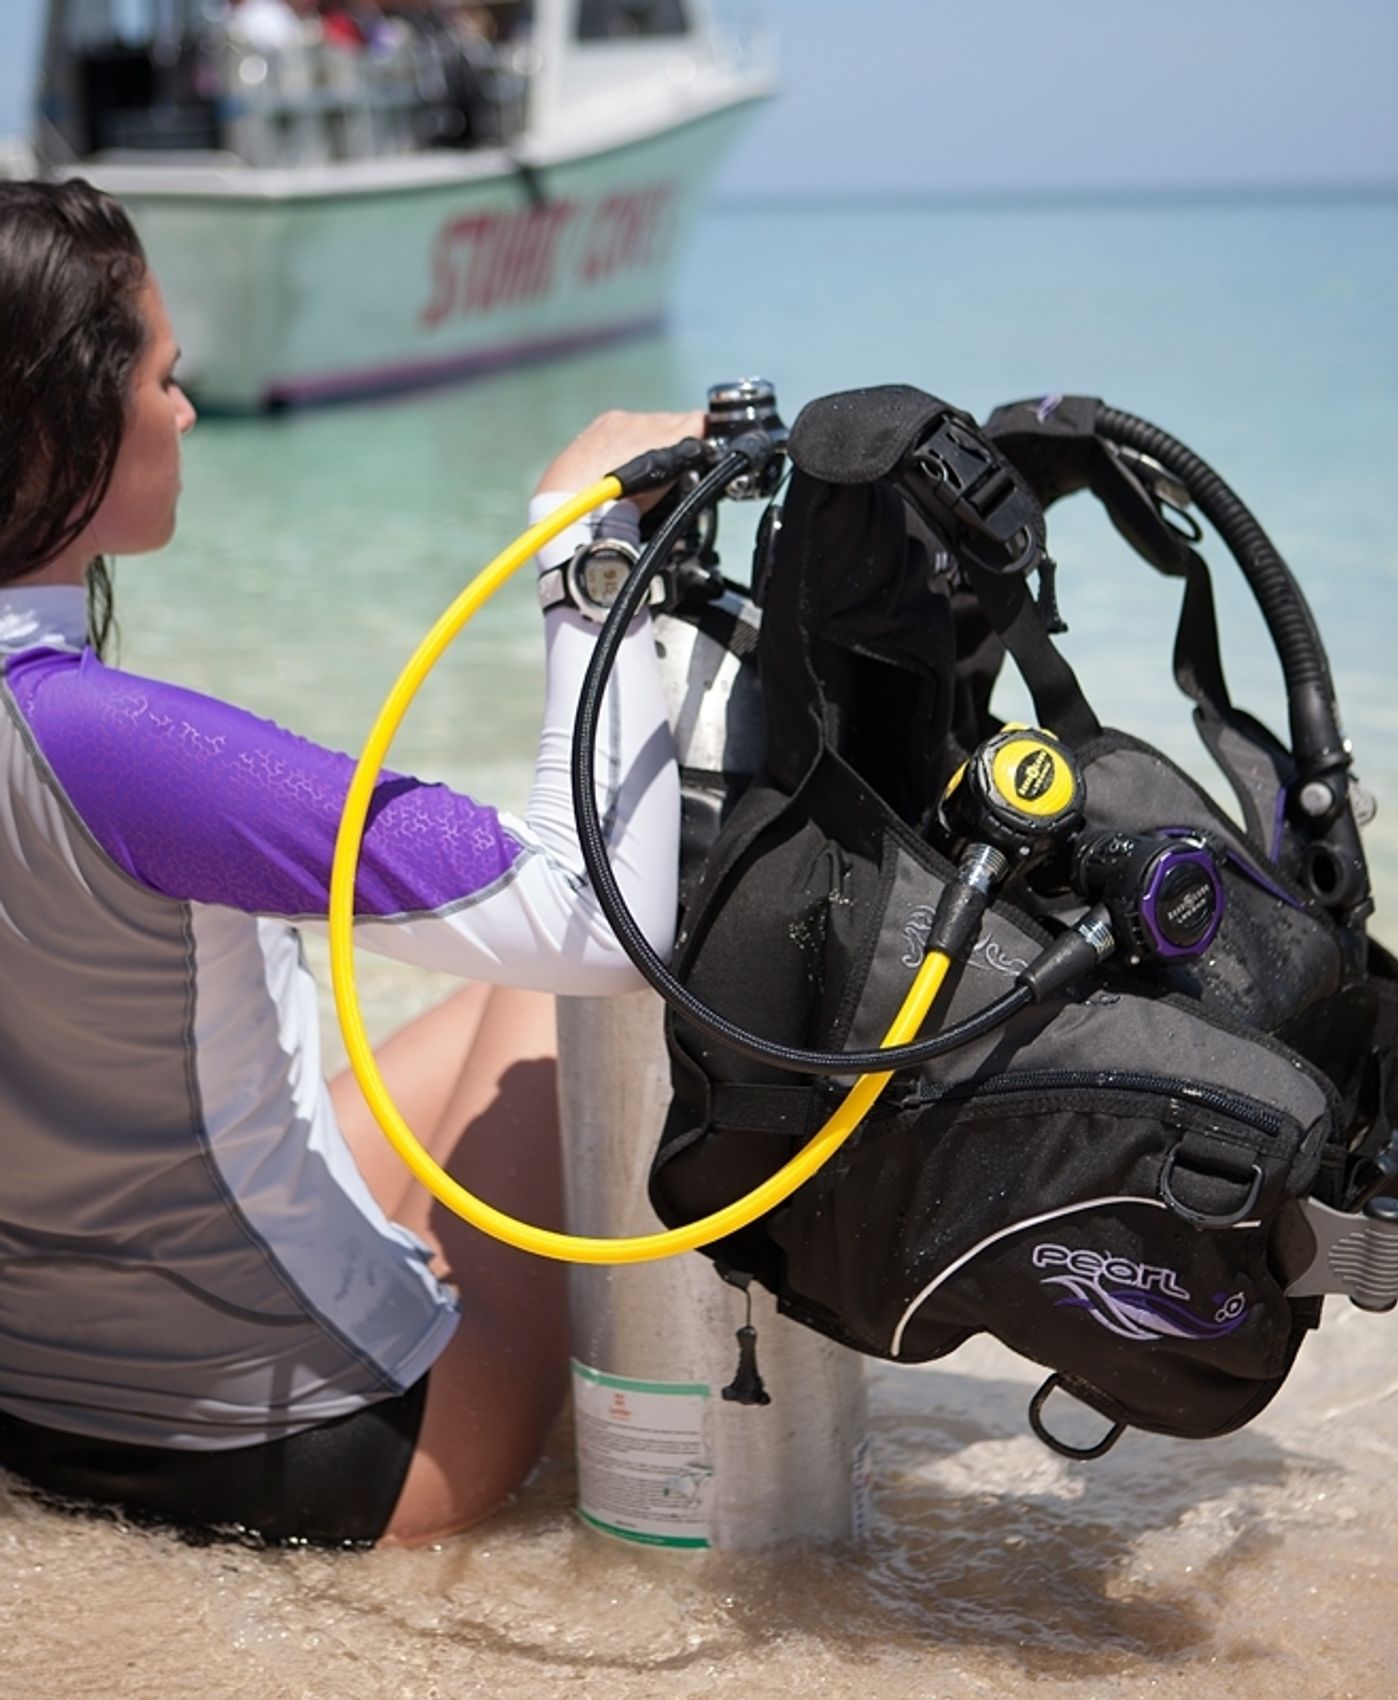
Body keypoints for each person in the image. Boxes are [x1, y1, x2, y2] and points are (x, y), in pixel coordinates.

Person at [0, 177, 694, 1548]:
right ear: (51, 425)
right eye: (163, 378)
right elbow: (599, 922)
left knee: (481, 999)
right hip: (326, 1453)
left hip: (30, 1404)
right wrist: (581, 543)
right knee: (558, 998)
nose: (185, 414)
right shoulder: (107, 742)